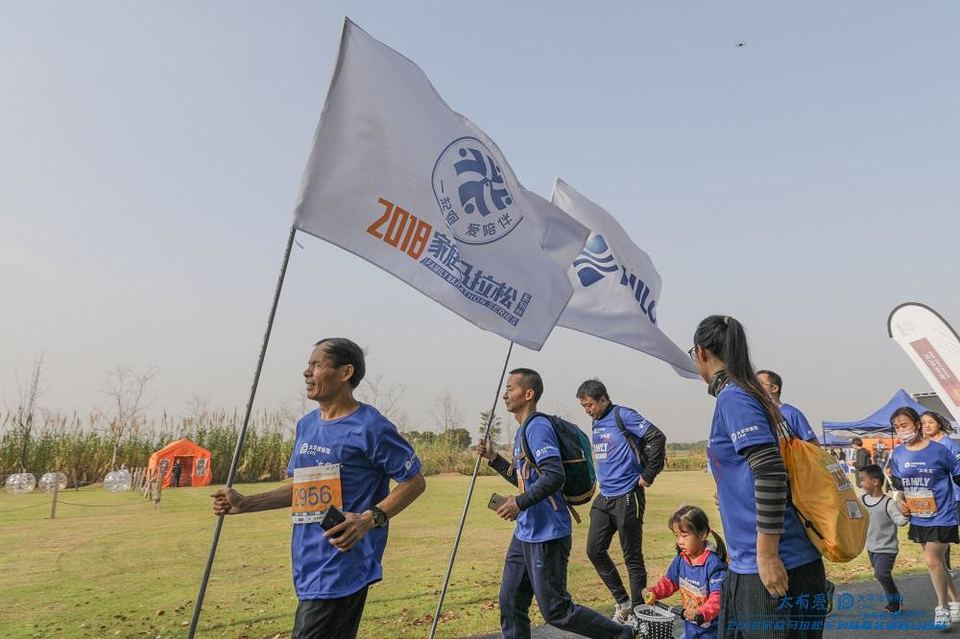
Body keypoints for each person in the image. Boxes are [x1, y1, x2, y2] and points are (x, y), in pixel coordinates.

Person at [211, 338, 426, 639]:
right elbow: (301, 487)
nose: (306, 372)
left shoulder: (371, 426)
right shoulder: (307, 425)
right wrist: (246, 503)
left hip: (342, 562)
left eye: (316, 364)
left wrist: (367, 519)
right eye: (308, 365)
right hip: (306, 559)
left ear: (345, 372)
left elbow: (414, 482)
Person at [690, 315, 826, 638]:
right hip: (748, 564)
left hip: (773, 565)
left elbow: (769, 471)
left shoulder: (734, 397)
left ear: (701, 353)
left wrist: (767, 556)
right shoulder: (745, 393)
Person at [477, 368, 638, 639]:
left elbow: (554, 475)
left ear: (528, 394)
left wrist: (519, 503)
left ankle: (623, 636)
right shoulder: (521, 433)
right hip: (526, 533)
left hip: (547, 534)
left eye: (510, 389)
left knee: (556, 610)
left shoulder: (538, 427)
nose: (504, 394)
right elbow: (525, 479)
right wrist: (494, 459)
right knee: (511, 602)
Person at [576, 378, 666, 625]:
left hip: (628, 495)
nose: (588, 410)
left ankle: (639, 614)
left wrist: (648, 475)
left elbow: (657, 437)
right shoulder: (596, 423)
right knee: (594, 550)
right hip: (605, 497)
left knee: (632, 557)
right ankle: (624, 602)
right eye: (584, 406)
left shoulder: (623, 415)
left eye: (590, 405)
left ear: (603, 398)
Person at [888, 406, 960, 630]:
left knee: (931, 560)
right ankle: (956, 601)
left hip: (943, 514)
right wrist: (900, 501)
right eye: (897, 427)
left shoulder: (939, 450)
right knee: (936, 564)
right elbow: (899, 486)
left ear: (917, 425)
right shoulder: (898, 454)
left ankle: (942, 608)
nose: (901, 430)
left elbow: (958, 474)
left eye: (905, 425)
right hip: (919, 516)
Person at [642, 505, 727, 638]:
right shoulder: (682, 559)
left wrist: (702, 612)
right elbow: (670, 582)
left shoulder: (713, 564)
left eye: (684, 535)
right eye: (677, 536)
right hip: (691, 629)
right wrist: (653, 591)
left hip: (712, 633)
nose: (680, 542)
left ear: (702, 534)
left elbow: (718, 597)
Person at [858, 464, 908, 613]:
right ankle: (894, 598)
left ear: (875, 482)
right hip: (871, 547)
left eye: (863, 480)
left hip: (887, 548)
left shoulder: (889, 503)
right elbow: (853, 515)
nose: (860, 483)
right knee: (881, 575)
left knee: (881, 573)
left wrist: (905, 516)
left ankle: (894, 601)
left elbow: (899, 519)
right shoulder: (861, 500)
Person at [755, 370, 819, 444]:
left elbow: (813, 444)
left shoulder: (791, 413)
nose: (755, 387)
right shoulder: (754, 415)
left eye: (760, 384)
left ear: (774, 388)